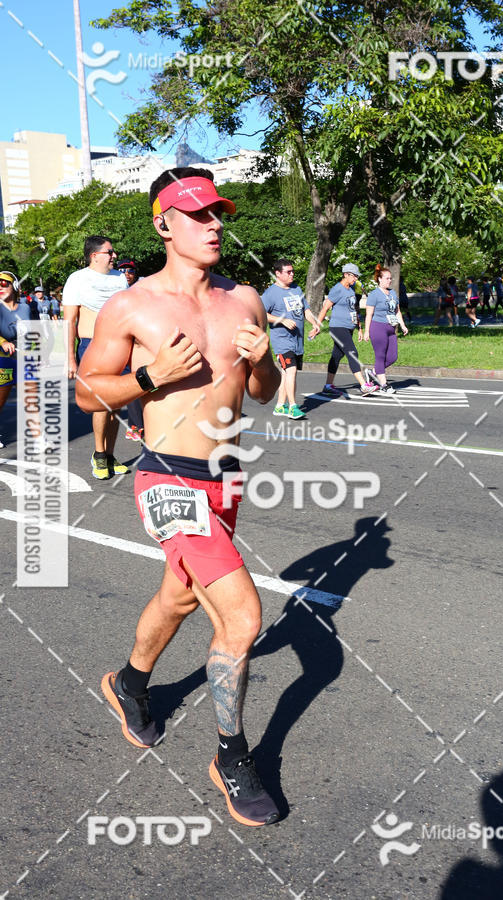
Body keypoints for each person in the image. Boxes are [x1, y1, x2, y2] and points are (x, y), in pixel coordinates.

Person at [75, 166, 281, 827]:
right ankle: (232, 755)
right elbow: (86, 393)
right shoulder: (132, 306)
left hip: (226, 478)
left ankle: (130, 684)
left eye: (219, 212)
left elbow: (263, 393)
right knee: (243, 618)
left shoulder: (244, 298)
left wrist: (265, 359)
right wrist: (147, 375)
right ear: (164, 224)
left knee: (182, 594)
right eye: (199, 214)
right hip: (165, 474)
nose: (216, 223)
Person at [62, 236, 130, 479]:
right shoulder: (77, 279)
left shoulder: (120, 278)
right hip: (93, 345)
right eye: (109, 252)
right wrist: (70, 358)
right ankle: (99, 455)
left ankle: (110, 455)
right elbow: (69, 321)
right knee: (102, 403)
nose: (114, 256)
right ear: (94, 255)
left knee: (117, 403)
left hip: (122, 346)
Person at [262, 258, 320, 419]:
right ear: (278, 274)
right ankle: (293, 407)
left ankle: (280, 406)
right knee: (291, 370)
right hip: (282, 341)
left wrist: (314, 324)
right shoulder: (271, 293)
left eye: (292, 271)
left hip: (297, 341)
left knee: (287, 374)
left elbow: (306, 310)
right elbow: (261, 313)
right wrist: (282, 320)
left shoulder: (296, 289)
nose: (292, 274)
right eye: (288, 272)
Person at [316, 263, 378, 396]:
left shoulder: (350, 290)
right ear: (346, 274)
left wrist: (359, 328)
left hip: (348, 327)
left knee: (336, 356)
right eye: (354, 276)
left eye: (356, 276)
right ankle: (363, 386)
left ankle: (328, 385)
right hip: (338, 327)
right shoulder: (337, 289)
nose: (356, 278)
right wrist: (317, 325)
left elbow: (354, 310)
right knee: (352, 352)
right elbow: (325, 308)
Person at [363, 265, 408, 393]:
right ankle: (384, 385)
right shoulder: (374, 294)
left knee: (393, 356)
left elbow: (397, 311)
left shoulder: (393, 293)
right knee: (380, 356)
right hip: (378, 327)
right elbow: (369, 314)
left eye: (390, 278)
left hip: (391, 328)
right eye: (387, 278)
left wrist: (403, 325)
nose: (390, 280)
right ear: (380, 279)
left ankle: (372, 372)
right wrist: (367, 331)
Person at [0, 271, 31, 449]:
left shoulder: (25, 307)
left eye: (5, 284)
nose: (1, 287)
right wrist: (3, 342)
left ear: (15, 287)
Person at [116, 259, 145, 440]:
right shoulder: (110, 292)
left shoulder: (142, 291)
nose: (127, 273)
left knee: (139, 381)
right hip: (117, 341)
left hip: (137, 341)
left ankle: (140, 425)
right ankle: (136, 425)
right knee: (127, 383)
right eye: (122, 270)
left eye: (130, 271)